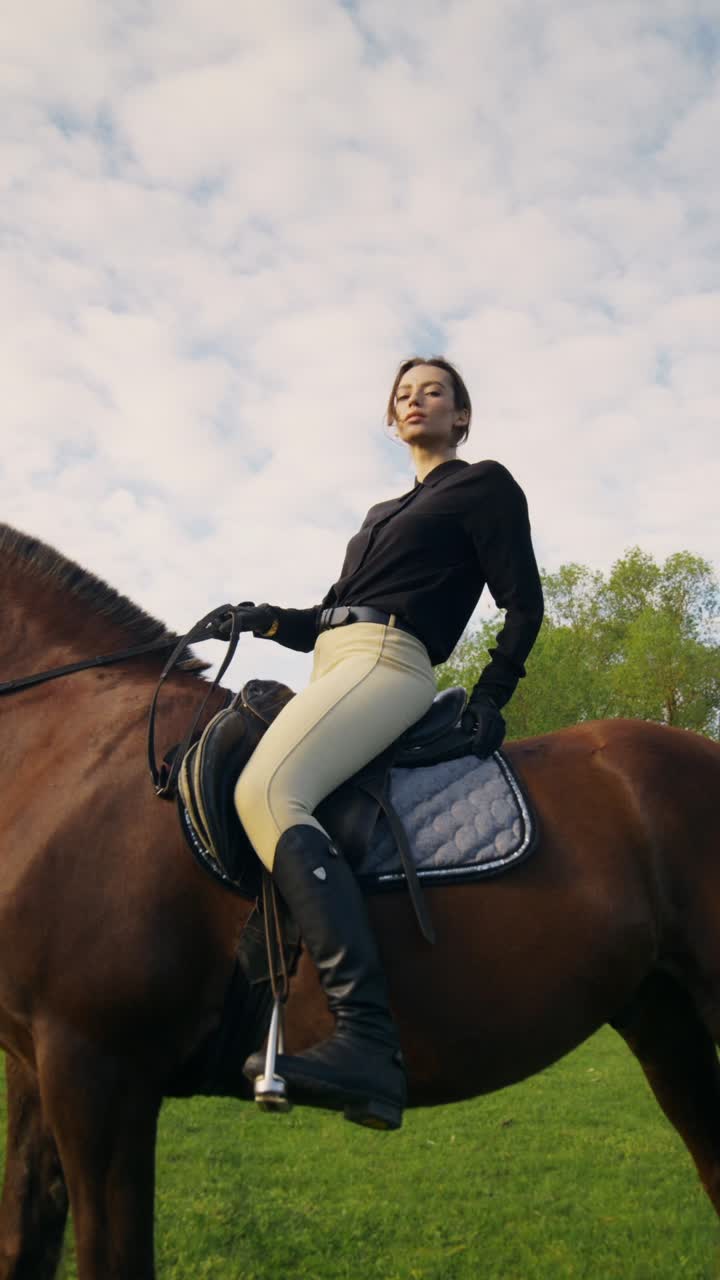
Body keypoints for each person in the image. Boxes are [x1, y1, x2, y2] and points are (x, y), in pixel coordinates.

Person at [232, 357, 544, 1130]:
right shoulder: (379, 514)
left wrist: (493, 692)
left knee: (267, 791)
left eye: (433, 391)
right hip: (333, 662)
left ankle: (366, 1037)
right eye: (403, 394)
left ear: (460, 416)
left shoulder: (483, 485)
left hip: (388, 661)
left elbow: (523, 601)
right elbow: (326, 615)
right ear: (390, 418)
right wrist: (264, 619)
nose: (415, 401)